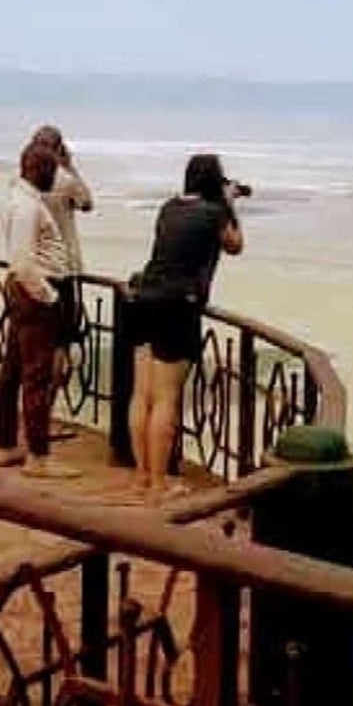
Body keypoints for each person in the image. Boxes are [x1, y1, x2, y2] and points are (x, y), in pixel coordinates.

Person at [127, 154, 245, 499]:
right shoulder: (214, 212)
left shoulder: (168, 207)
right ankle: (160, 485)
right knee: (166, 398)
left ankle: (142, 478)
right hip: (177, 305)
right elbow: (235, 245)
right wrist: (229, 204)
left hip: (144, 296)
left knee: (142, 394)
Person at [0, 143, 82, 479]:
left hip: (26, 290)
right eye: (52, 171)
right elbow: (23, 262)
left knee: (13, 371)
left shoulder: (20, 201)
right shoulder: (28, 207)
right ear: (41, 170)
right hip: (37, 291)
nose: (55, 178)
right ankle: (38, 457)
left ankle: (5, 444)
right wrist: (48, 297)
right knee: (36, 376)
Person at [30, 125, 94, 427]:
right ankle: (46, 413)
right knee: (59, 345)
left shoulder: (23, 184)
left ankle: (31, 410)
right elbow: (87, 203)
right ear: (58, 150)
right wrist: (70, 165)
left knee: (32, 345)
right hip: (63, 271)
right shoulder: (65, 180)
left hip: (32, 269)